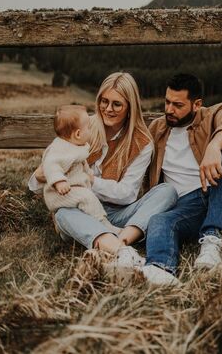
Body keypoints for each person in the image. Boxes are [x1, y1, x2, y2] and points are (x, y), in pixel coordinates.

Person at [28, 72, 178, 270]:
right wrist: (41, 176)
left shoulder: (142, 142)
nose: (108, 109)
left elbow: (127, 194)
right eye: (104, 101)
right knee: (63, 214)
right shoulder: (83, 127)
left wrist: (87, 181)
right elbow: (42, 175)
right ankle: (121, 247)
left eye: (117, 104)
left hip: (117, 213)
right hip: (78, 208)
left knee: (167, 191)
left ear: (130, 107)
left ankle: (119, 241)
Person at [141, 73, 222, 286]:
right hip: (185, 206)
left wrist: (214, 146)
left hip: (220, 194)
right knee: (159, 220)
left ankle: (213, 240)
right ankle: (160, 268)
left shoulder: (214, 113)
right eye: (167, 102)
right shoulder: (158, 128)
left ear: (196, 104)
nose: (169, 109)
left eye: (178, 105)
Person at [42, 104, 120, 235]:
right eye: (88, 128)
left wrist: (88, 175)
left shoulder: (75, 145)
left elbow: (82, 165)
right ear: (78, 134)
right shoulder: (60, 148)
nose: (91, 130)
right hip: (60, 193)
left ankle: (67, 231)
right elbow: (51, 165)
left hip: (73, 189)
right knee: (88, 198)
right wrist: (59, 181)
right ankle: (104, 225)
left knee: (85, 203)